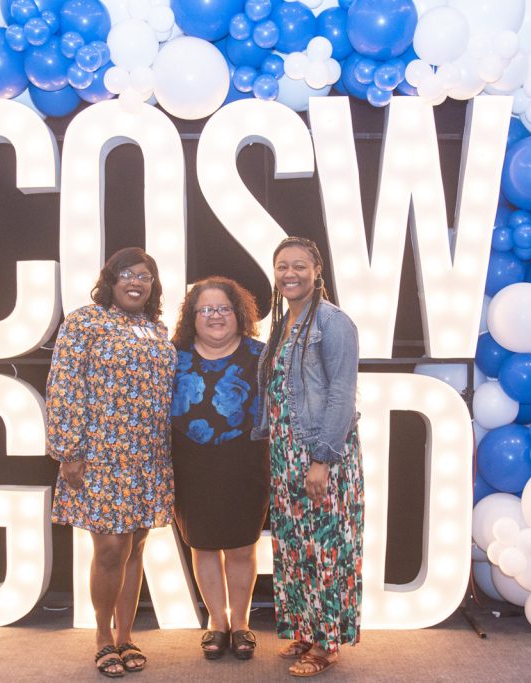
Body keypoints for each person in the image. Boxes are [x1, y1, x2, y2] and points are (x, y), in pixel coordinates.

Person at [46, 247, 176, 678]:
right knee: (110, 548)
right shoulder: (84, 321)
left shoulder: (156, 328)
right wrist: (69, 450)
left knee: (135, 545)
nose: (136, 282)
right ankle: (103, 637)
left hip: (149, 455)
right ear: (110, 279)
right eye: (127, 274)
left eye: (145, 276)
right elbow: (64, 385)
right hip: (100, 454)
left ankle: (126, 636)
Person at [252, 236, 364, 678]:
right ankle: (304, 628)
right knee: (296, 547)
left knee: (327, 548)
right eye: (282, 266)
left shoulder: (333, 322)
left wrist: (322, 459)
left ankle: (327, 643)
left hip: (321, 453)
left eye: (299, 265)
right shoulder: (285, 323)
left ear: (317, 272)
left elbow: (341, 394)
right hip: (285, 455)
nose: (290, 274)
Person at [169, 277, 269, 661]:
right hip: (190, 463)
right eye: (206, 309)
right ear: (192, 317)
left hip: (246, 462)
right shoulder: (172, 355)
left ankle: (241, 623)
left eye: (223, 308)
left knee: (242, 546)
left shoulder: (261, 354)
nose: (215, 316)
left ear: (238, 313)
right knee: (203, 544)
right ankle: (217, 623)